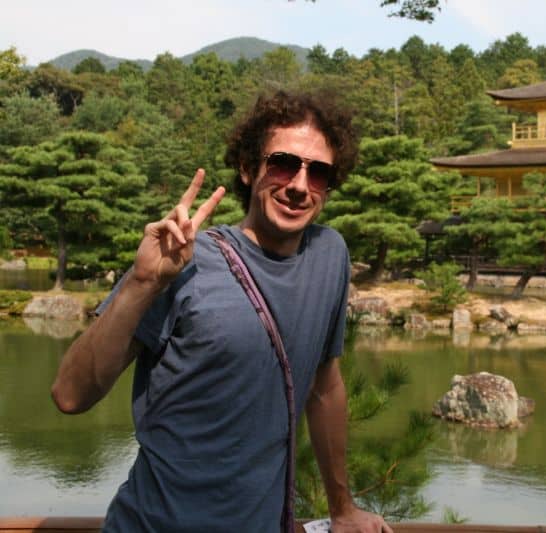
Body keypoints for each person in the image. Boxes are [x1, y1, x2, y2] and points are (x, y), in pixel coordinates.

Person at [51, 91, 392, 533]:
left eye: (319, 172)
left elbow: (325, 386)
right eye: (283, 163)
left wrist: (343, 509)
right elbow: (71, 395)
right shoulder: (185, 260)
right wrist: (142, 283)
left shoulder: (330, 256)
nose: (299, 185)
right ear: (249, 169)